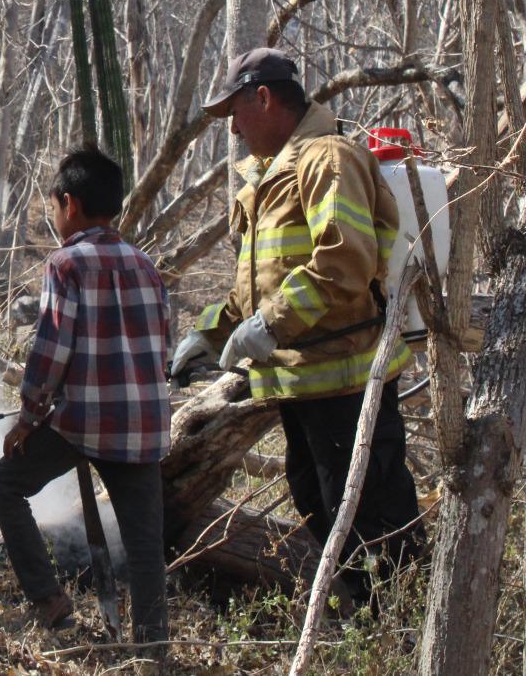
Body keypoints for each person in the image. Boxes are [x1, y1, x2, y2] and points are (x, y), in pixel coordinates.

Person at [169, 47, 422, 603]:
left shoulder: (328, 159)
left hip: (348, 379)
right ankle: (373, 619)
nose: (233, 128)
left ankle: (404, 629)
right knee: (321, 502)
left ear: (263, 97)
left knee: (369, 515)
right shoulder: (269, 176)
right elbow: (257, 284)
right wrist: (209, 335)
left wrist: (272, 326)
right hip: (302, 383)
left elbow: (345, 260)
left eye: (235, 112)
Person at [0, 148, 170, 648]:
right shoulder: (146, 264)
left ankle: (51, 606)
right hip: (146, 428)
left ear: (69, 204)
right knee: (147, 546)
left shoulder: (65, 263)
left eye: (54, 206)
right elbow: (164, 345)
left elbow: (51, 350)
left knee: (3, 483)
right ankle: (153, 652)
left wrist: (27, 417)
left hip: (84, 424)